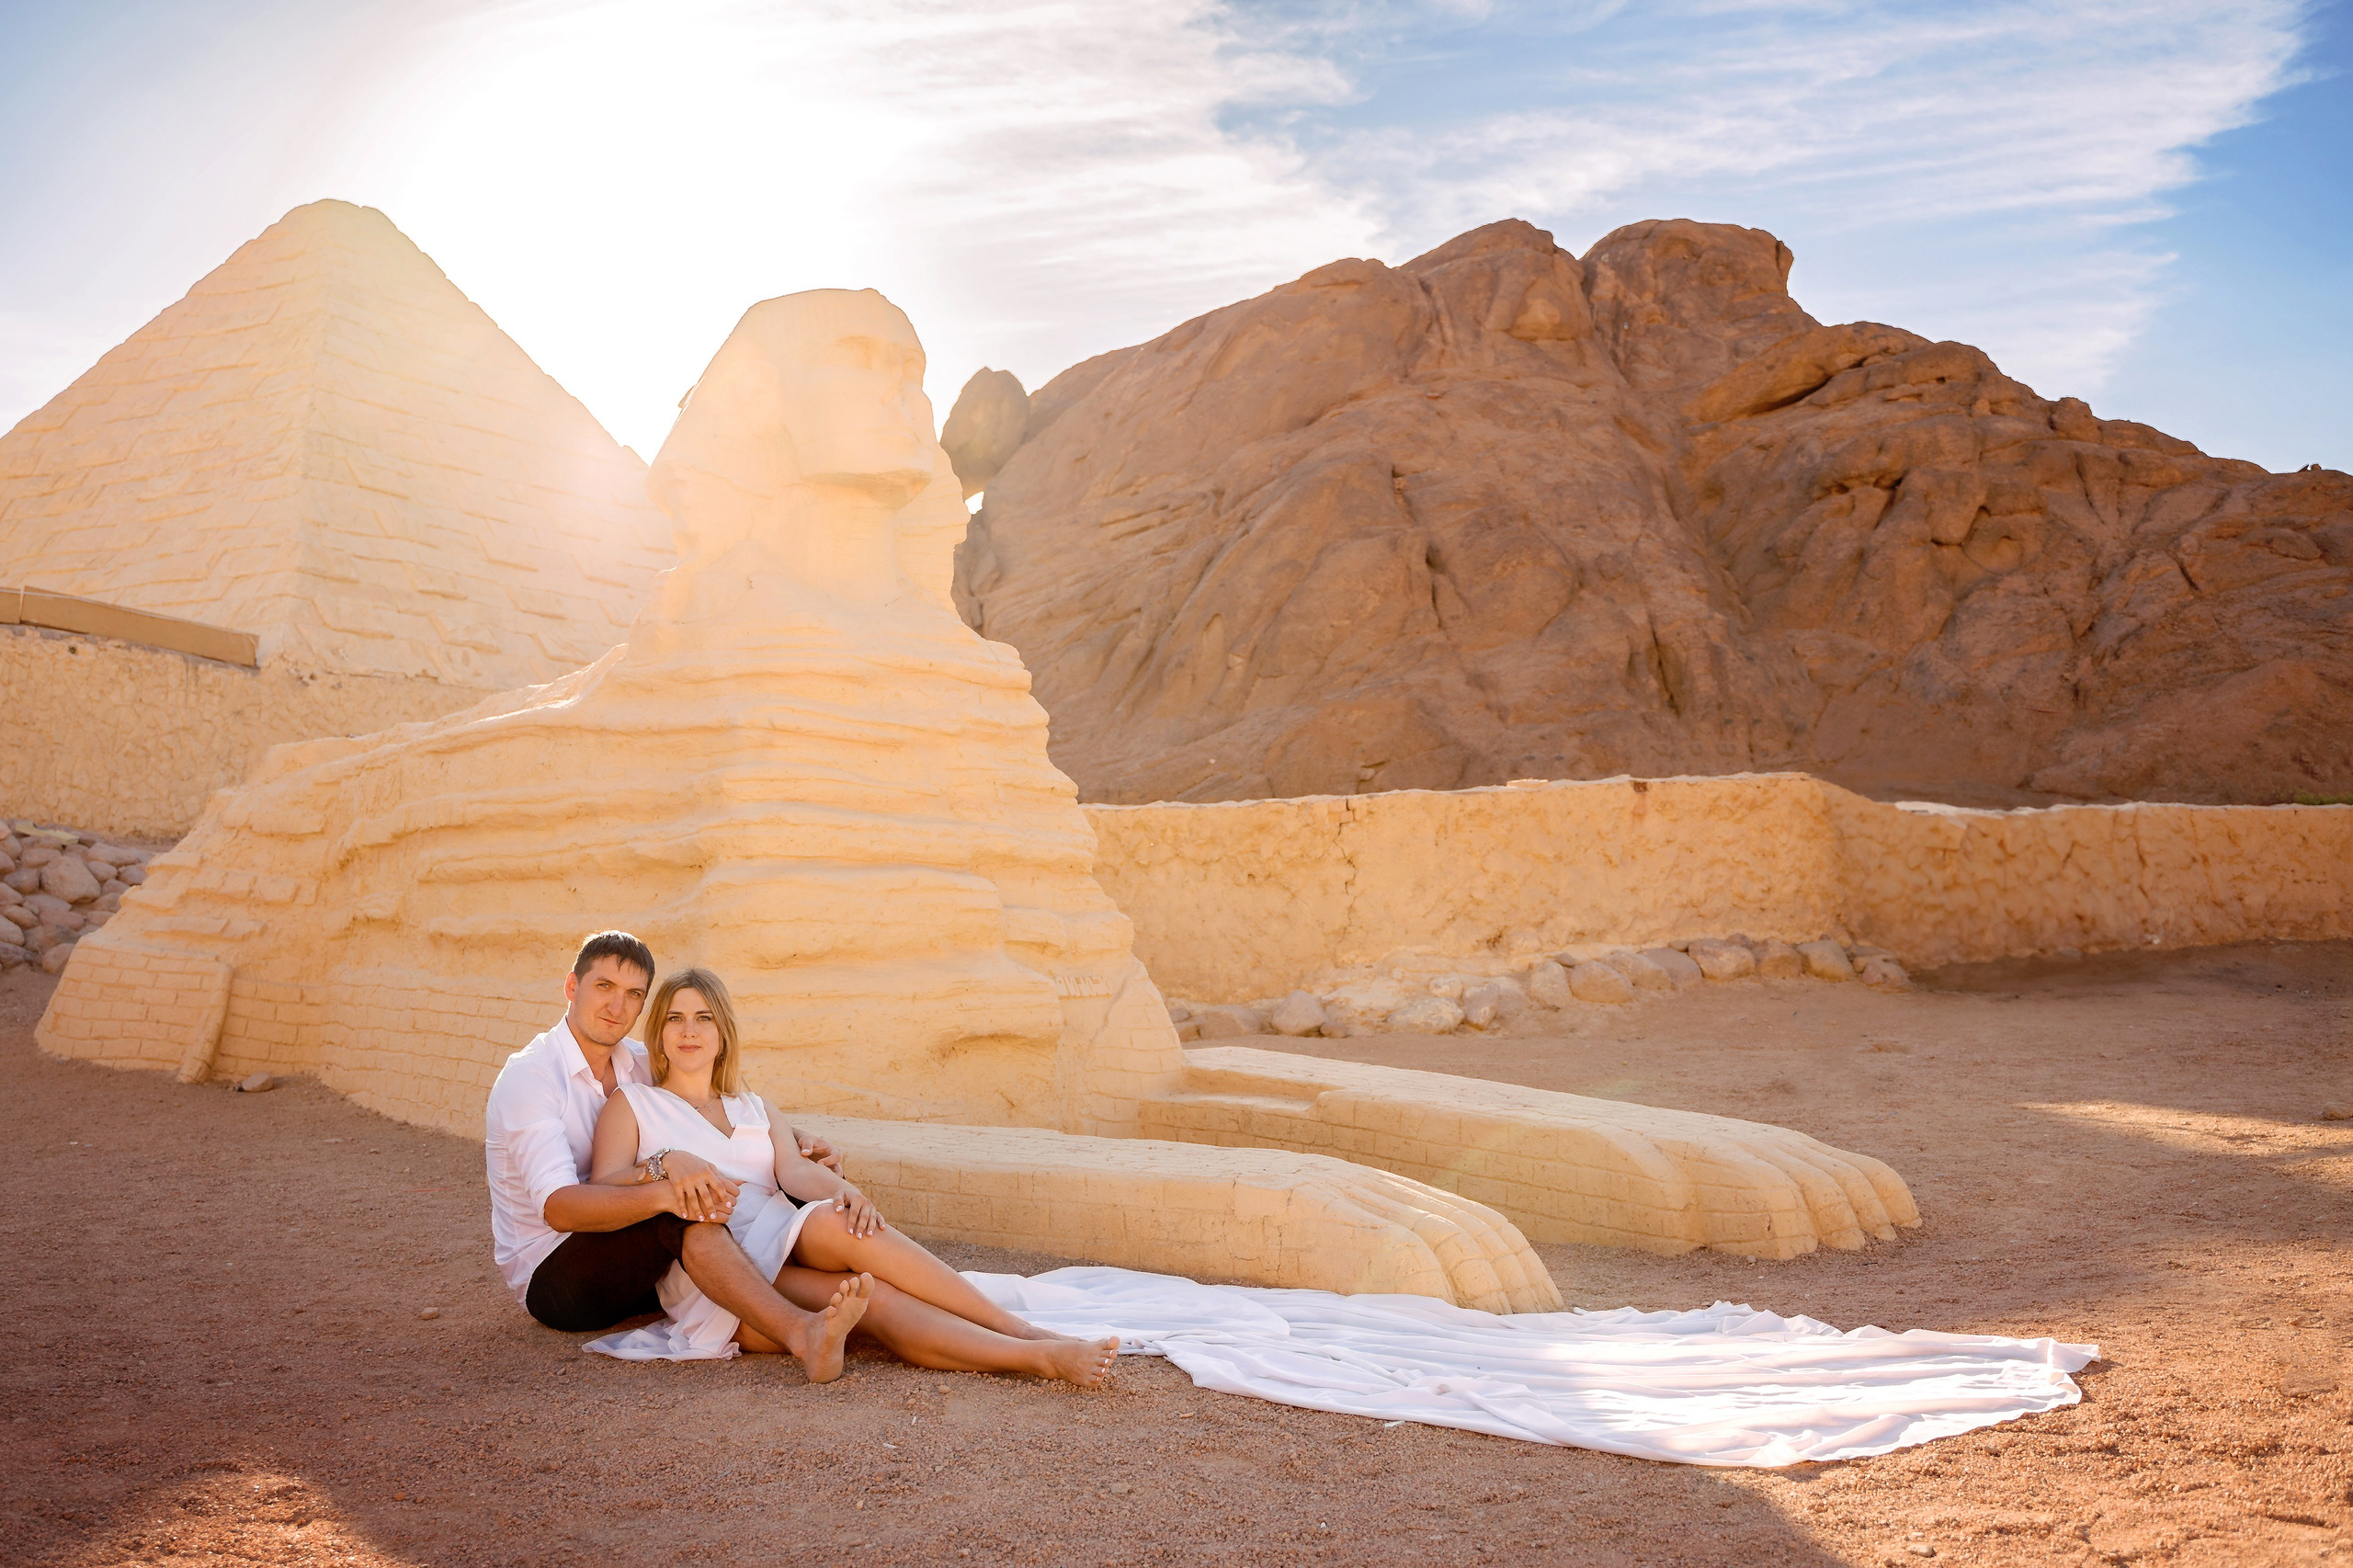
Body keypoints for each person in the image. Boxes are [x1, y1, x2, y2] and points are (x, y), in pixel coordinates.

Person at [585, 964, 1120, 1386]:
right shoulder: (634, 1105)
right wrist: (660, 1168)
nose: (689, 1031)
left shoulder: (752, 1106)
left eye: (703, 1018)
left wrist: (849, 1191)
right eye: (675, 1018)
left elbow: (793, 1172)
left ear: (722, 1034)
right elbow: (600, 1188)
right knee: (873, 1299)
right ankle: (1036, 1357)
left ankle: (1018, 1328)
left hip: (780, 1235)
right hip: (721, 1268)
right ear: (658, 1034)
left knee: (846, 1223)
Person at [483, 931, 872, 1381]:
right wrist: (664, 1181)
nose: (617, 1007)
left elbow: (708, 1102)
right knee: (683, 1206)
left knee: (754, 1205)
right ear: (572, 988)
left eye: (632, 994)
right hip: (558, 1274)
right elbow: (559, 1208)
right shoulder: (531, 1078)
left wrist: (791, 1137)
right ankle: (801, 1333)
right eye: (603, 987)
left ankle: (864, 1306)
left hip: (641, 1257)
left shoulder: (640, 1062)